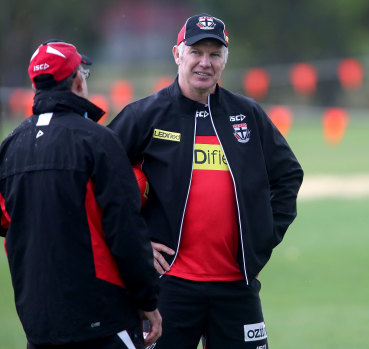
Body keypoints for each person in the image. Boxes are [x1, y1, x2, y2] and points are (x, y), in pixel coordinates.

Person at [108, 13, 303, 349]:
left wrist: (263, 236)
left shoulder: (247, 114)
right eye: (196, 51)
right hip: (169, 287)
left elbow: (288, 175)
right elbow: (100, 180)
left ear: (225, 60)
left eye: (215, 54)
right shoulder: (144, 115)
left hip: (235, 287)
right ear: (177, 54)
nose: (205, 62)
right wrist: (137, 243)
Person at [0, 40, 162, 348]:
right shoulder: (99, 141)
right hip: (101, 319)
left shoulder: (10, 145)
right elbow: (125, 231)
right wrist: (148, 299)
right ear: (77, 80)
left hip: (38, 322)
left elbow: (5, 221)